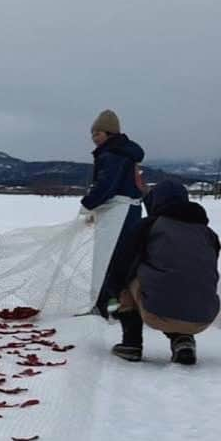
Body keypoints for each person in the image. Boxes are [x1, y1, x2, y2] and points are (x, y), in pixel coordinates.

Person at [108, 180, 220, 365]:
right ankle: (182, 340)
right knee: (186, 278)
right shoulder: (208, 233)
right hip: (204, 317)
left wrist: (112, 298)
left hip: (158, 312)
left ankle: (131, 344)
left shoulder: (149, 226)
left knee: (128, 279)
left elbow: (121, 265)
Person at [80, 109, 145, 315]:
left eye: (97, 134)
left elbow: (106, 185)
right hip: (125, 211)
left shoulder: (113, 154)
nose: (93, 138)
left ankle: (106, 304)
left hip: (120, 212)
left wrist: (89, 204)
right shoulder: (121, 152)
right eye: (92, 134)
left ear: (109, 133)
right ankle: (117, 303)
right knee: (122, 258)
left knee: (109, 259)